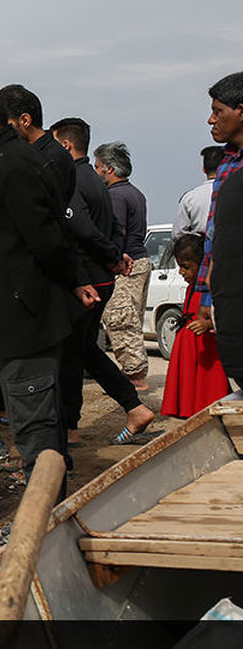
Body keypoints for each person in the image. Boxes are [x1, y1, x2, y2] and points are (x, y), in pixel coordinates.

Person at [0, 80, 95, 490]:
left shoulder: (12, 165)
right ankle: (46, 512)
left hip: (27, 318)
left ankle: (47, 522)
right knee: (31, 422)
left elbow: (47, 236)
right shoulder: (3, 162)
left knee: (37, 427)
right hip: (16, 315)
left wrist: (72, 280)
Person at [51, 118, 153, 447]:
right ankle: (132, 408)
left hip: (87, 280)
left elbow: (81, 227)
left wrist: (110, 254)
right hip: (102, 277)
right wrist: (113, 255)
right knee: (82, 350)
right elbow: (112, 227)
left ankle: (71, 426)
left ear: (65, 146)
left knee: (72, 352)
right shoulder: (97, 182)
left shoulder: (76, 180)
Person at [94, 141, 152, 391]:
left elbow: (117, 232)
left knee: (120, 320)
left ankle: (135, 378)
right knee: (133, 320)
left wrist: (112, 259)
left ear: (108, 169)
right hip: (141, 261)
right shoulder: (135, 192)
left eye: (97, 167)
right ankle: (135, 374)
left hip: (126, 264)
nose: (95, 172)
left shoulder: (115, 196)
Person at [199, 72, 243, 383]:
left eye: (218, 111)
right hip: (229, 292)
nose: (211, 120)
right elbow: (216, 234)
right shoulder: (227, 163)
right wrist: (206, 294)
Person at [161, 233, 229, 418]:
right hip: (190, 347)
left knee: (207, 391)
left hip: (207, 350)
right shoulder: (193, 287)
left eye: (187, 267)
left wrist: (208, 323)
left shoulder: (212, 288)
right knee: (189, 389)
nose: (182, 272)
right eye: (180, 267)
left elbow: (224, 314)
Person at [173, 146, 226, 238]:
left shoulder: (190, 198)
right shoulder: (235, 193)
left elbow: (178, 235)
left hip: (200, 250)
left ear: (204, 169)